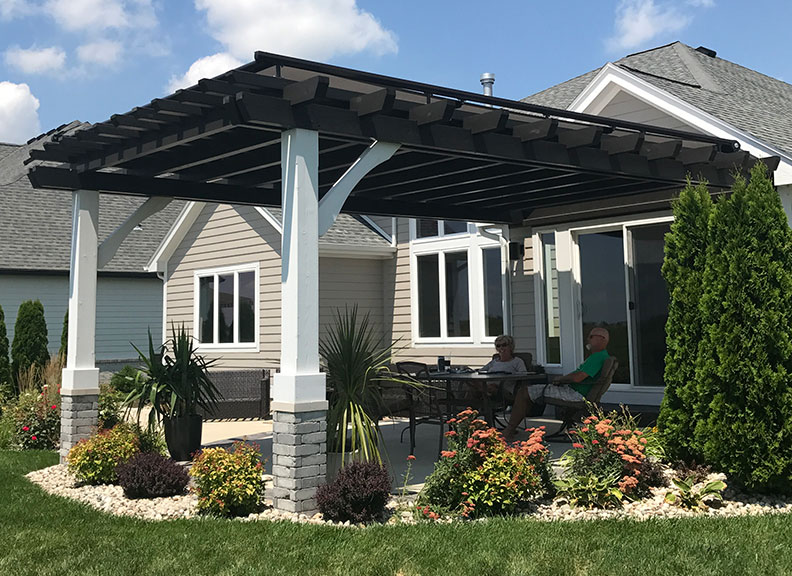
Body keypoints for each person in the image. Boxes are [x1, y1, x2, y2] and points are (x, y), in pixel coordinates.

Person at [502, 326, 611, 441]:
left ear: (602, 339)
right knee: (529, 393)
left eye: (591, 336)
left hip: (574, 394)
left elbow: (578, 378)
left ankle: (509, 431)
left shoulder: (598, 357)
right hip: (576, 392)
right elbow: (579, 376)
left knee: (524, 392)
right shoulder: (601, 356)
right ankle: (512, 428)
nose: (588, 339)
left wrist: (561, 379)